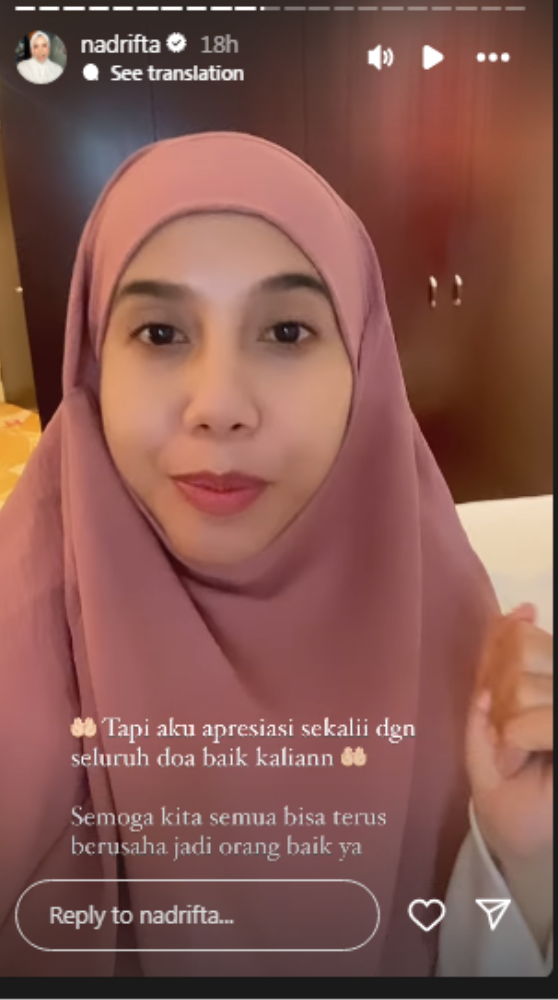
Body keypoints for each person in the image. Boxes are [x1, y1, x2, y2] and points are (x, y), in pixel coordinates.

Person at [0, 132, 552, 977]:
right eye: (159, 332)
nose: (219, 404)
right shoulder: (21, 651)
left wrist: (522, 869)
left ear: (363, 368)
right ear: (94, 367)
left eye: (287, 330)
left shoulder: (465, 654)